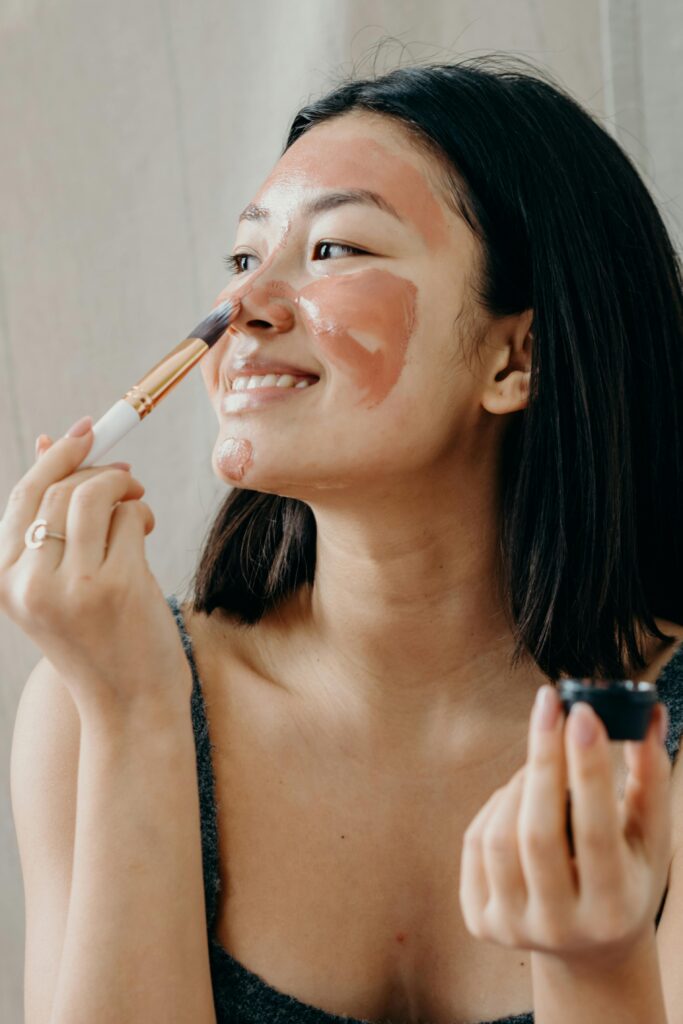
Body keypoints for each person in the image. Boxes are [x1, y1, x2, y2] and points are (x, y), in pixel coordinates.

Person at [4, 55, 683, 1024]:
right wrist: (134, 712)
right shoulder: (94, 699)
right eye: (245, 259)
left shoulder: (656, 733)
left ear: (514, 355)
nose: (245, 307)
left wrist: (594, 959)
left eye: (335, 250)